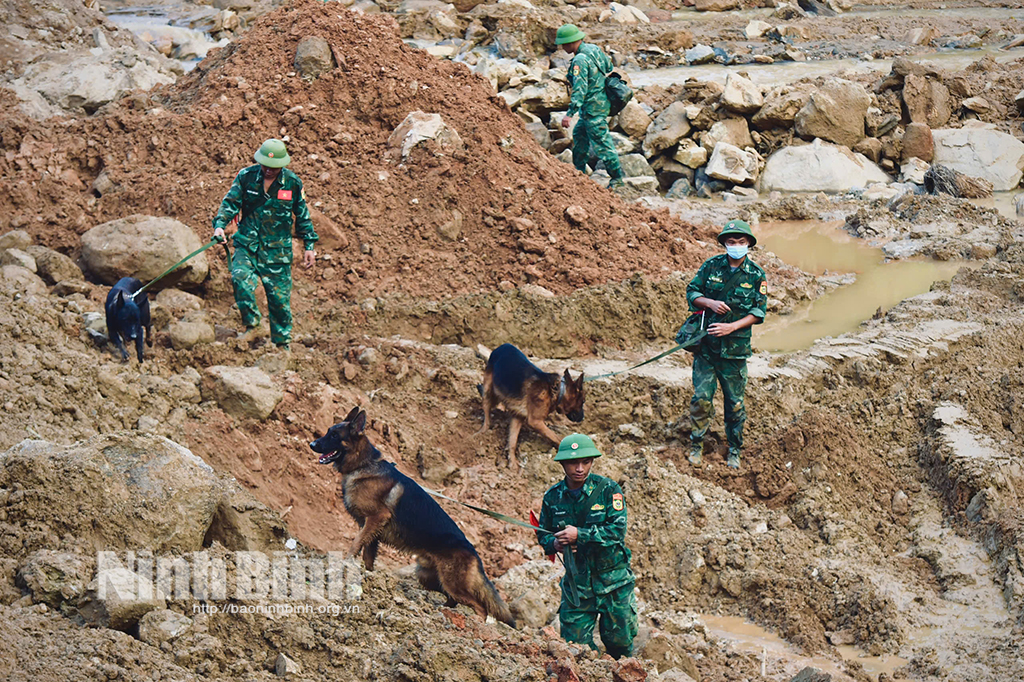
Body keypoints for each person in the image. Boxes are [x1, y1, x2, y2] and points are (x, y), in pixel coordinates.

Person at [536, 433, 637, 659]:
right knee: (575, 650)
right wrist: (555, 543)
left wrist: (578, 535)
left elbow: (617, 531)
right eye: (573, 462)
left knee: (620, 644)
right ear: (562, 463)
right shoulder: (553, 497)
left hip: (613, 583)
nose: (579, 468)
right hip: (577, 586)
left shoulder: (608, 490)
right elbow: (543, 535)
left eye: (585, 462)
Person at [213, 138, 318, 350]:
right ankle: (253, 326)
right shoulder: (246, 177)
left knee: (279, 300)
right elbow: (231, 203)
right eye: (265, 166)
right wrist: (220, 226)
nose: (268, 170)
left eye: (274, 167)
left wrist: (309, 246)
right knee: (240, 278)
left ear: (282, 165)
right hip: (247, 244)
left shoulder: (293, 183)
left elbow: (303, 216)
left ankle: (281, 343)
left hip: (277, 251)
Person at [685, 219, 767, 470]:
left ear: (749, 244)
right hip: (707, 348)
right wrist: (708, 303)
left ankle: (734, 448)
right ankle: (696, 444)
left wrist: (732, 326)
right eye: (731, 242)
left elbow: (759, 312)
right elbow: (692, 292)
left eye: (741, 242)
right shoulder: (711, 267)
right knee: (701, 399)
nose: (736, 246)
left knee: (735, 403)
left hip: (734, 351)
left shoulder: (756, 275)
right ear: (724, 244)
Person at [554, 24, 625, 189]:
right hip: (598, 103)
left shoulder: (579, 60)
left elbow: (579, 90)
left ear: (572, 42)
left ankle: (617, 179)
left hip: (593, 109)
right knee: (579, 138)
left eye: (564, 43)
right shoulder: (593, 49)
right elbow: (608, 67)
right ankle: (578, 173)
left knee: (603, 144)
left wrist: (569, 114)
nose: (563, 47)